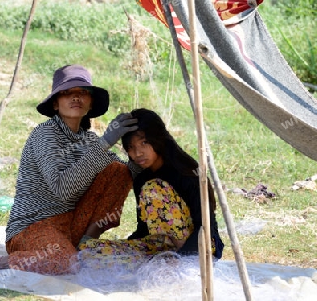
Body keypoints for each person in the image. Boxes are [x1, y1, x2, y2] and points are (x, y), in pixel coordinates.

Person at [0, 64, 140, 275]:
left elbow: (127, 175)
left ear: (90, 104)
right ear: (56, 104)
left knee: (118, 170)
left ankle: (86, 245)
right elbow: (62, 189)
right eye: (67, 93)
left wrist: (137, 148)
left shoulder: (89, 140)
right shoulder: (45, 134)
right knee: (63, 262)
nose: (76, 98)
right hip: (34, 226)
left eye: (83, 93)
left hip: (73, 225)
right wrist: (104, 143)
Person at [78, 108, 224, 268]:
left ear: (157, 139)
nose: (138, 153)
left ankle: (174, 264)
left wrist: (181, 258)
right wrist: (126, 248)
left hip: (198, 246)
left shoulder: (187, 172)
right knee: (89, 250)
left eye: (144, 143)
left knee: (153, 189)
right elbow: (144, 229)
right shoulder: (141, 177)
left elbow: (205, 226)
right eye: (131, 147)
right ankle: (161, 262)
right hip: (160, 248)